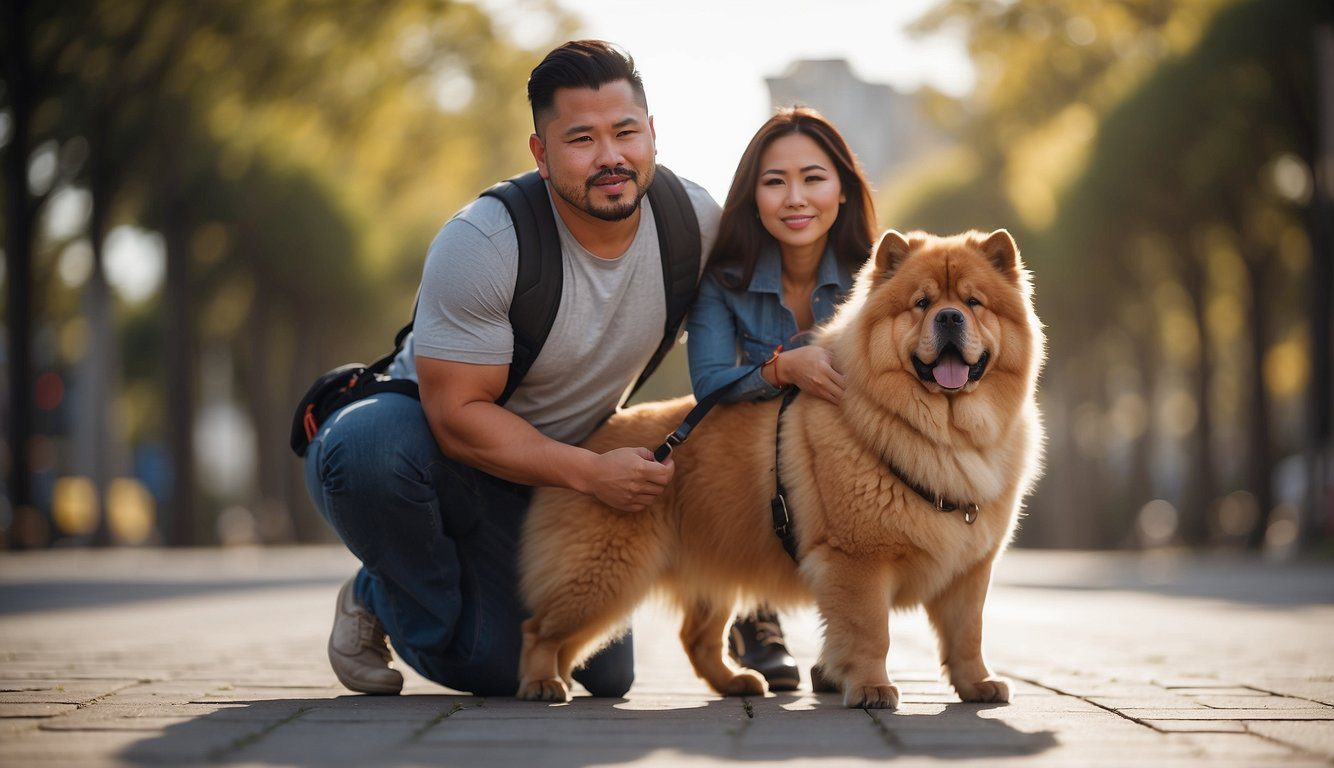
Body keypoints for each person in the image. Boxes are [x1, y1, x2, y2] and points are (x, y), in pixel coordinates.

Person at [304, 40, 720, 698]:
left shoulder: (693, 224)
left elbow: (749, 355)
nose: (610, 157)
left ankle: (440, 585)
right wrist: (593, 474)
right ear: (540, 153)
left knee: (603, 670)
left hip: (547, 478)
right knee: (369, 455)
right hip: (433, 449)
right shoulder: (486, 241)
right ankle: (380, 596)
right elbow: (456, 419)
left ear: (653, 134)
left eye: (625, 132)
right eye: (581, 138)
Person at [685, 107, 878, 691]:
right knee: (751, 443)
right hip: (757, 448)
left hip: (848, 450)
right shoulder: (723, 280)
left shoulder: (876, 274)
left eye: (813, 178)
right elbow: (712, 382)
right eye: (775, 182)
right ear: (753, 197)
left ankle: (842, 639)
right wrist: (782, 368)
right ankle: (755, 615)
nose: (795, 198)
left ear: (842, 190)